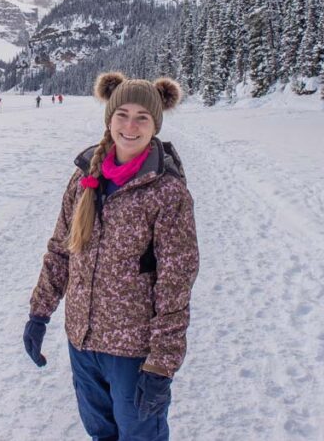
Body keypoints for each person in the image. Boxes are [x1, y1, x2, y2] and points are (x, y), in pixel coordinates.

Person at [25, 72, 198, 441]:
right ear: (109, 116)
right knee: (101, 433)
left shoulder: (167, 192)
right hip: (82, 343)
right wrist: (39, 314)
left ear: (155, 124)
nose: (130, 126)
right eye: (122, 114)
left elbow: (176, 283)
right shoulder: (83, 178)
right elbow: (61, 250)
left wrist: (162, 364)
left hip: (133, 353)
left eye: (142, 117)